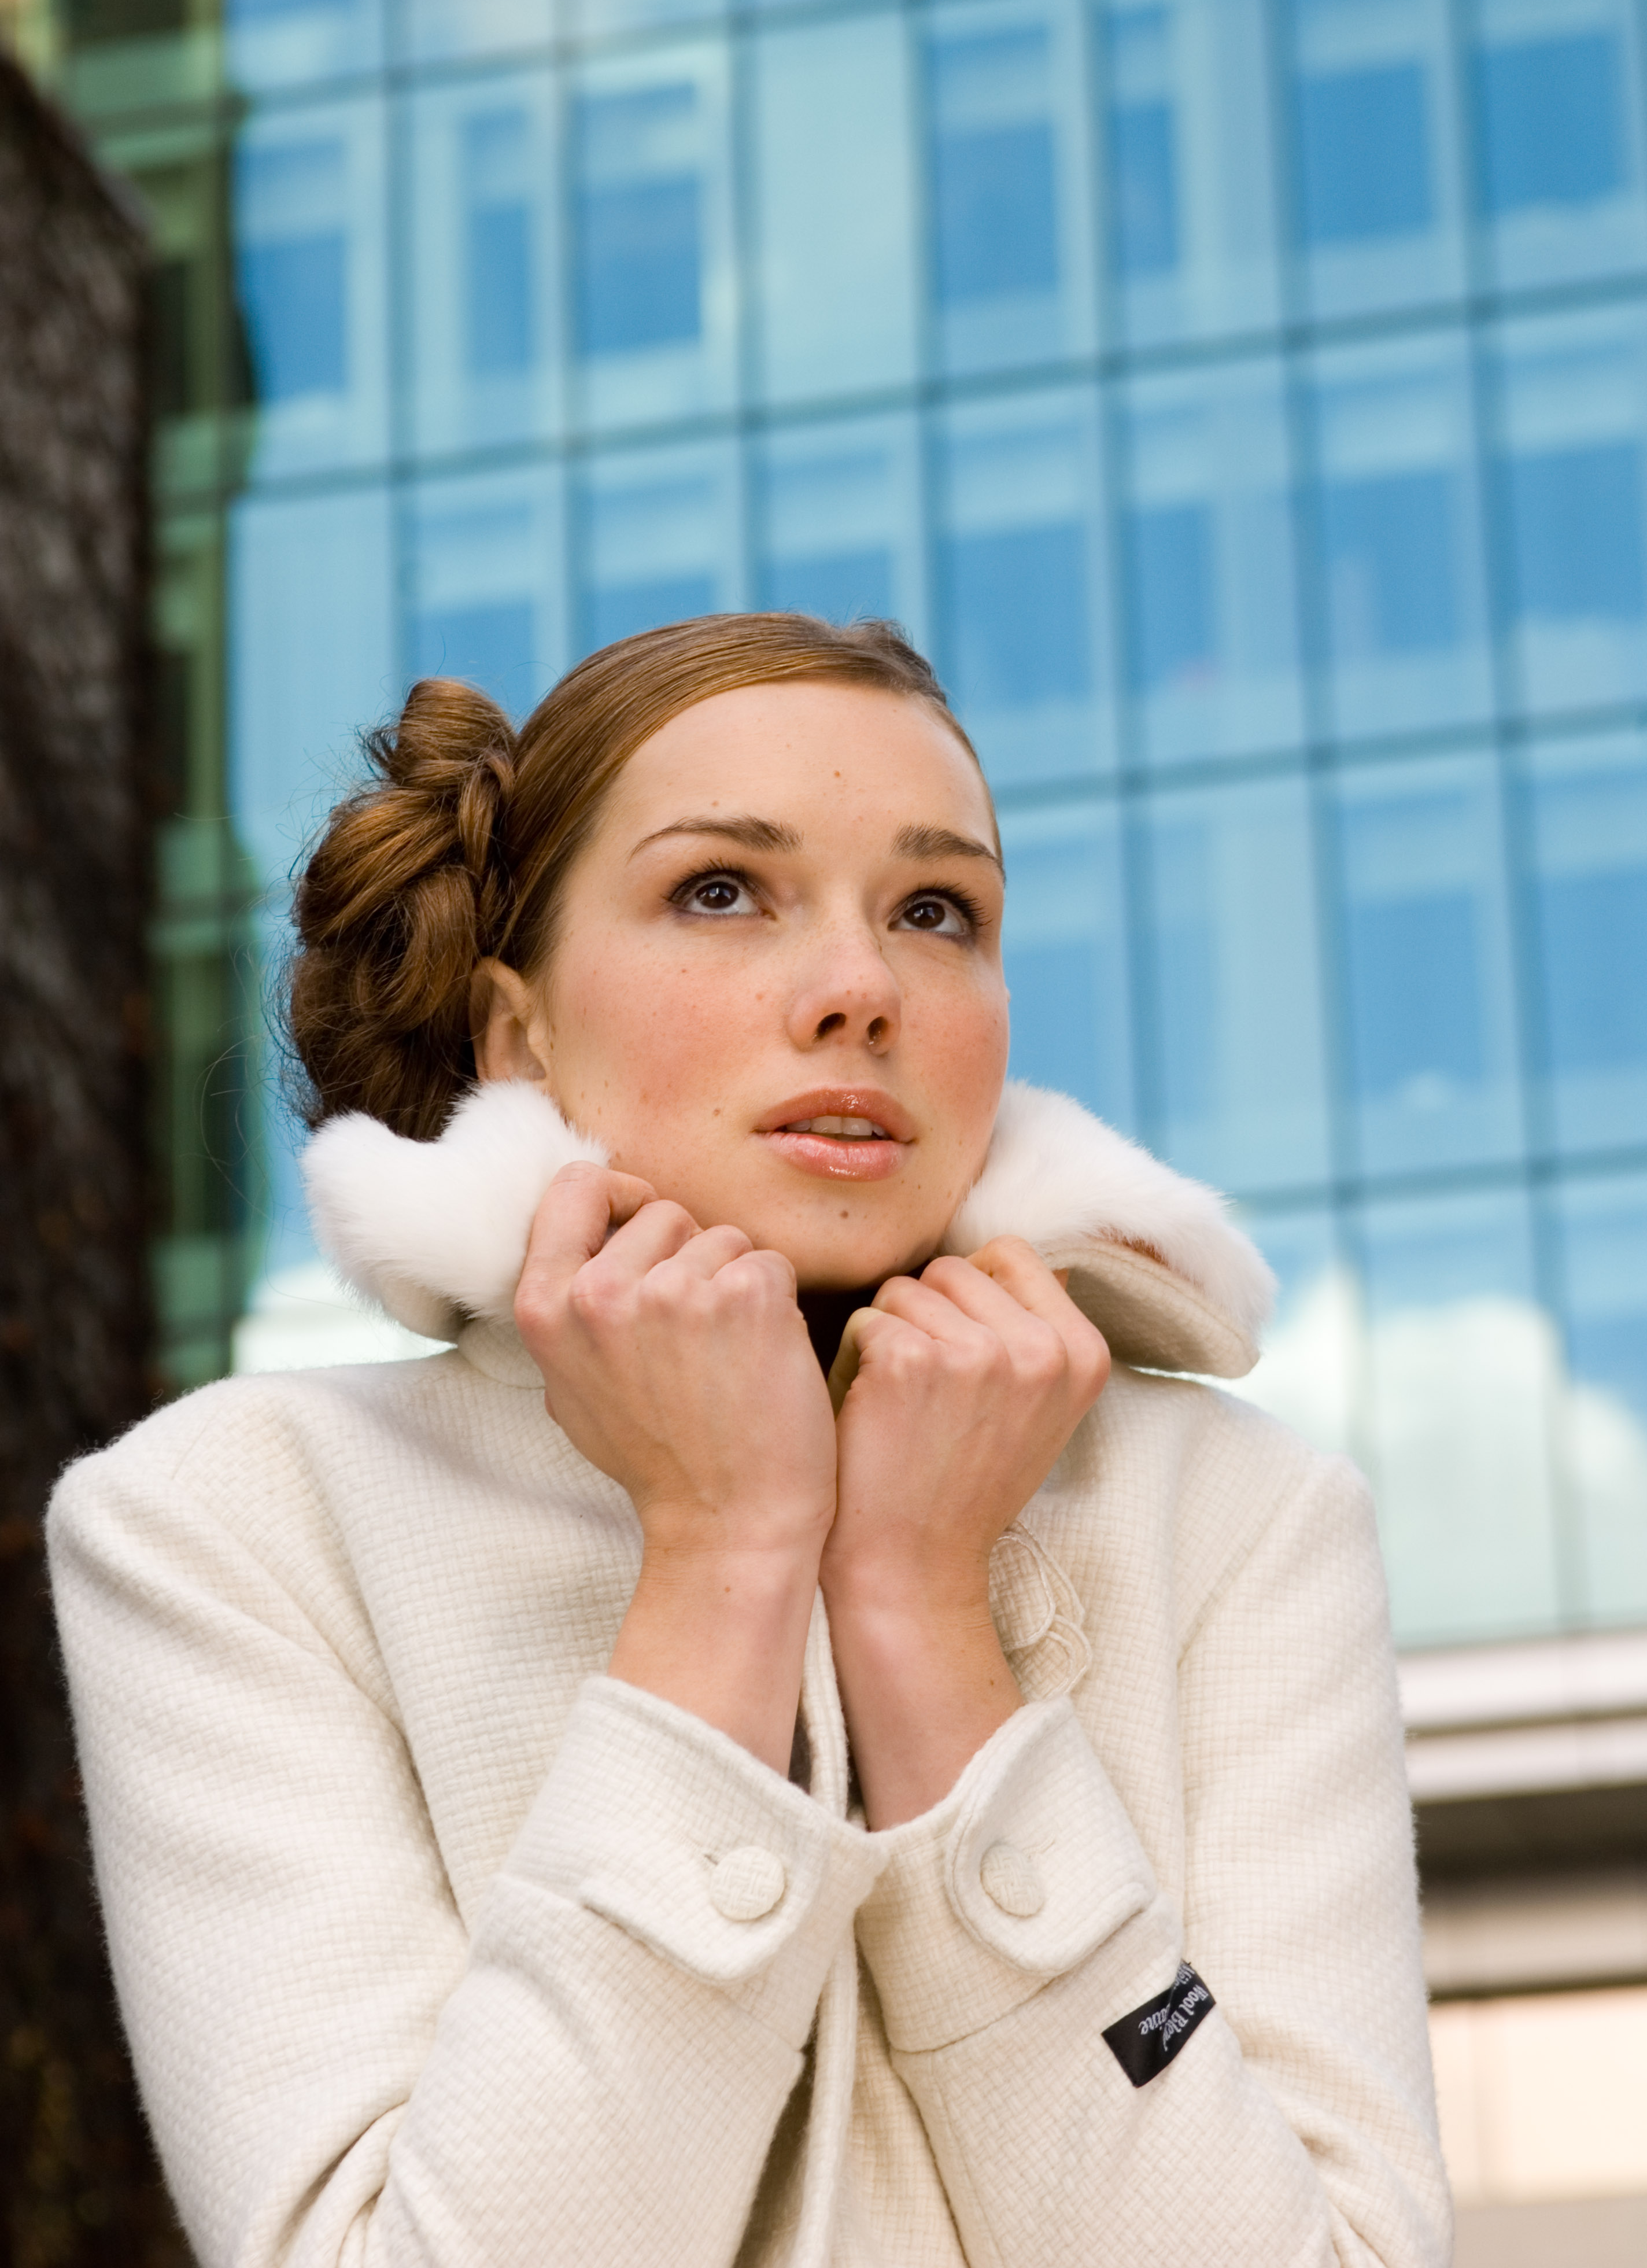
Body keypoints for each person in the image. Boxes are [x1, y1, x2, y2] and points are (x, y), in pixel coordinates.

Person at [49, 613, 1450, 2267]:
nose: (862, 992)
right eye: (722, 891)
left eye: (937, 911)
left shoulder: (1240, 1517)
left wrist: (924, 1610)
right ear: (515, 1035)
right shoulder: (233, 1526)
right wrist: (723, 1554)